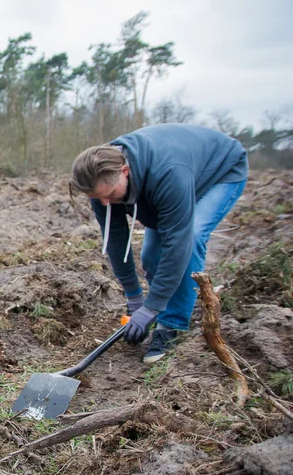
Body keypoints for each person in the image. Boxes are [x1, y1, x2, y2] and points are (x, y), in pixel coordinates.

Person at [69, 123, 248, 364]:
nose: (104, 203)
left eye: (109, 195)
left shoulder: (168, 174)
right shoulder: (100, 185)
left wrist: (150, 308)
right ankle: (162, 307)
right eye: (96, 198)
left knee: (191, 237)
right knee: (152, 252)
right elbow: (116, 241)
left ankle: (171, 325)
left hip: (220, 171)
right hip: (175, 177)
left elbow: (177, 246)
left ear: (124, 171)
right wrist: (134, 297)